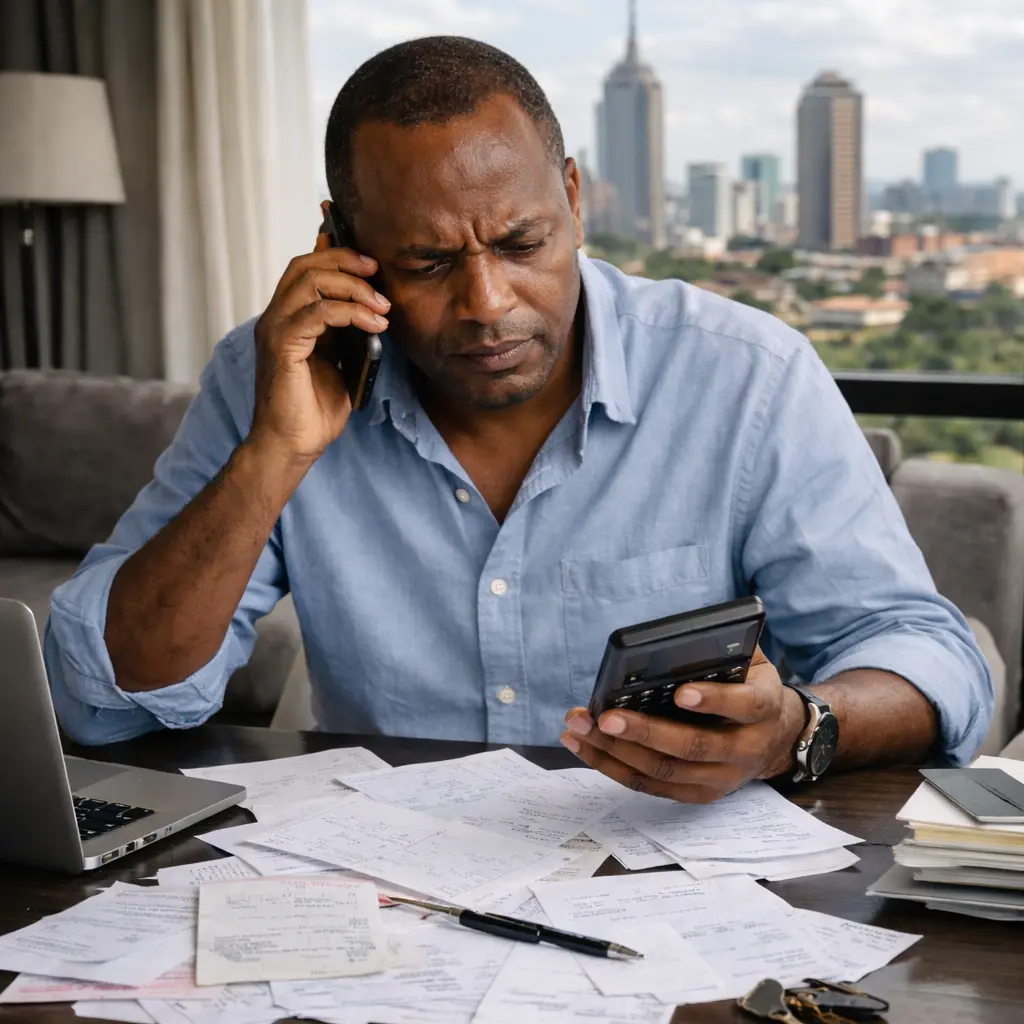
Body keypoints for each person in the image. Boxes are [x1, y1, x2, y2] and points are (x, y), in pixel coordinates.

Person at [45, 36, 992, 804]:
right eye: (424, 263)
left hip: (682, 897)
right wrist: (273, 457)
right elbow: (101, 700)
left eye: (521, 242)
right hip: (385, 899)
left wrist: (797, 727)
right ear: (340, 246)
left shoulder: (745, 375)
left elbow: (928, 657)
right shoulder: (270, 378)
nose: (489, 303)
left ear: (573, 200)